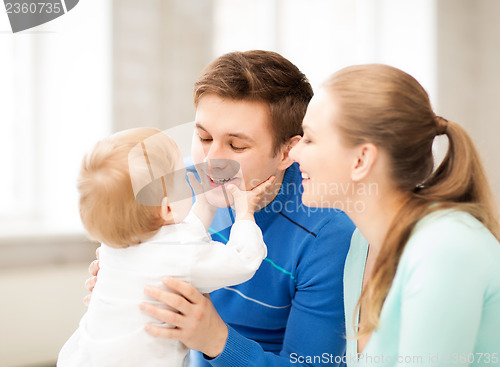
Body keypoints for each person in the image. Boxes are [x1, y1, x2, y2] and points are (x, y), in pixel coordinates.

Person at [86, 51, 355, 366]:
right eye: (203, 137)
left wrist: (215, 339)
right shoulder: (173, 189)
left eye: (237, 146)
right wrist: (123, 290)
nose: (211, 161)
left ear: (288, 152)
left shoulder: (326, 234)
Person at [289, 64, 500, 366]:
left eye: (308, 139)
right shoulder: (361, 246)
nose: (294, 153)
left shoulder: (444, 249)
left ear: (361, 159)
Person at [60, 127, 272, 367]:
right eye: (181, 178)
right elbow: (242, 261)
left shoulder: (117, 244)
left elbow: (182, 235)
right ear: (168, 208)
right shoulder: (179, 257)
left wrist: (205, 203)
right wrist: (245, 213)